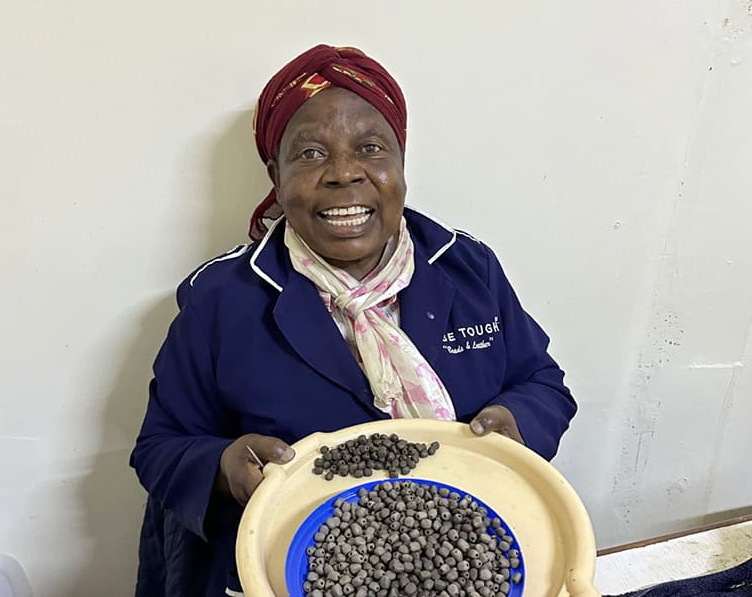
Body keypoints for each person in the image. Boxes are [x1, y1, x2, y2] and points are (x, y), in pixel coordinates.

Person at [130, 44, 577, 597]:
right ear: (276, 174)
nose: (344, 174)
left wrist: (516, 421)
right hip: (292, 569)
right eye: (311, 154)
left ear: (400, 162)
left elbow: (542, 382)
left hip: (466, 553)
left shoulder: (468, 269)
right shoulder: (221, 300)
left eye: (370, 147)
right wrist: (223, 465)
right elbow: (160, 446)